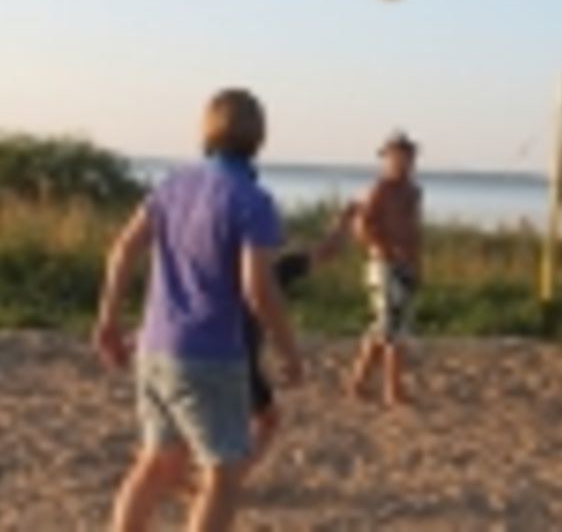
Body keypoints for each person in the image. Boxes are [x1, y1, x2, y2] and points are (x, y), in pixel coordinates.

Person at [93, 89, 302, 532]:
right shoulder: (252, 200)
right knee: (221, 474)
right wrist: (288, 349)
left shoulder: (172, 186)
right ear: (259, 137)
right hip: (211, 353)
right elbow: (257, 288)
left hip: (154, 346)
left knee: (154, 464)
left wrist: (108, 320)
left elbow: (123, 249)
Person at [242, 203, 358, 477]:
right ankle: (233, 478)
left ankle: (220, 477)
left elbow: (326, 251)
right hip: (239, 357)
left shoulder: (221, 262)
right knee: (266, 420)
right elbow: (327, 251)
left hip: (195, 349)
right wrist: (343, 222)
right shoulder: (277, 268)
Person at [347, 131, 423, 407]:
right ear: (387, 160)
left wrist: (416, 262)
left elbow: (414, 230)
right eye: (397, 158)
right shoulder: (380, 189)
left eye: (408, 158)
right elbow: (361, 226)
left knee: (384, 328)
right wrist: (385, 247)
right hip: (384, 265)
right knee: (392, 329)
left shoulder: (412, 192)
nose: (403, 164)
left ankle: (359, 382)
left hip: (405, 264)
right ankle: (393, 390)